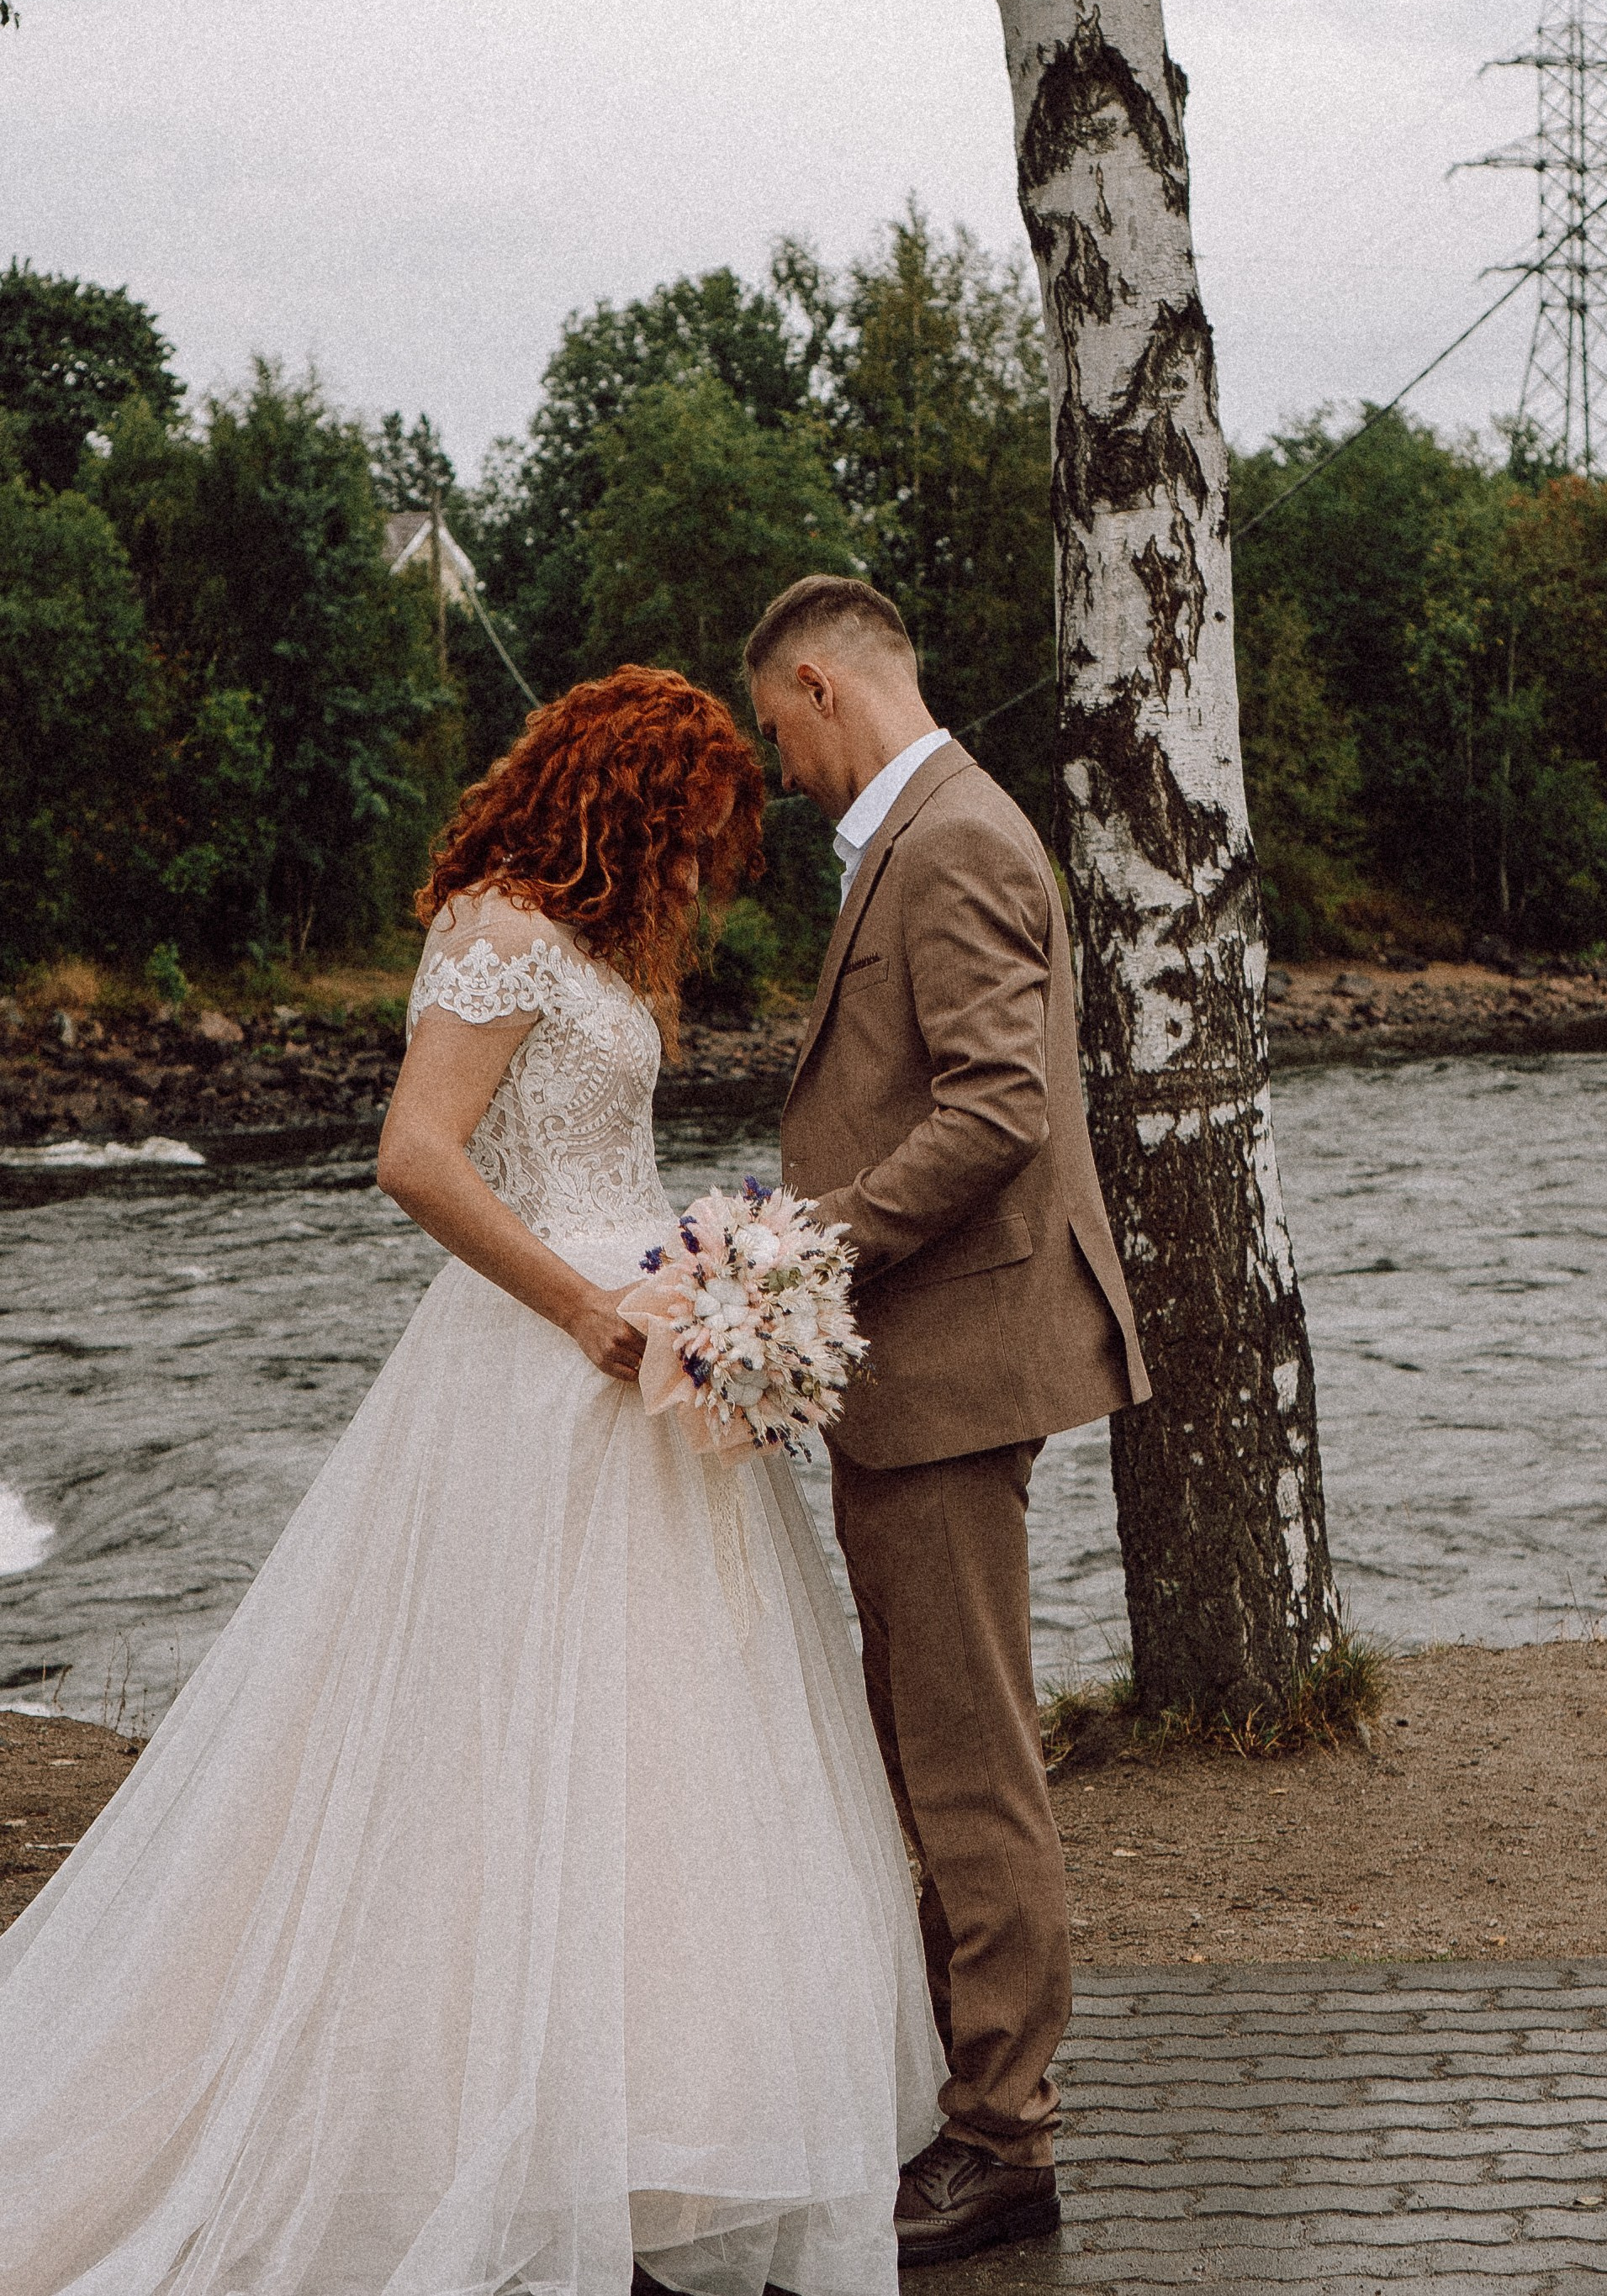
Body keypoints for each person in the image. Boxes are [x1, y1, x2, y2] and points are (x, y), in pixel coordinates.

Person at [0, 663, 940, 2296]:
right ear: (631, 795)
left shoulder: (601, 948)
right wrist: (584, 1298)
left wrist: (724, 1284)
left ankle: (638, 2144)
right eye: (700, 833)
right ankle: (494, 2132)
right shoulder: (503, 932)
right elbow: (414, 1153)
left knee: (665, 1767)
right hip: (537, 1366)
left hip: (650, 1368)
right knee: (506, 1753)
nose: (708, 872)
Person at [743, 579, 1150, 2272]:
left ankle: (1007, 2132)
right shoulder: (929, 835)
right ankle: (959, 2093)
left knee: (969, 1759)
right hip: (920, 1364)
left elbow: (999, 1102)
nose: (781, 768)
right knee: (925, 1740)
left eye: (776, 730)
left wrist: (807, 1242)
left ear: (823, 688)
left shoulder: (957, 839)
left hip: (955, 1363)